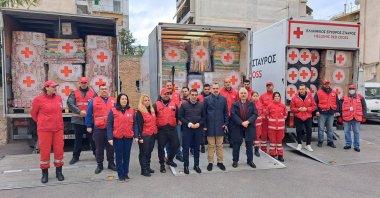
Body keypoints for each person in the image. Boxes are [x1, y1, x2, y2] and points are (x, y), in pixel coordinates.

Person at [31, 80, 64, 183]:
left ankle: (59, 172)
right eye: (53, 86)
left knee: (59, 151)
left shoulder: (58, 98)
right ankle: (44, 174)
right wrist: (43, 122)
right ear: (46, 88)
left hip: (58, 129)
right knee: (45, 152)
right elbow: (33, 114)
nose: (55, 88)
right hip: (45, 130)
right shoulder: (38, 100)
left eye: (55, 86)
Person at [86, 83, 117, 174]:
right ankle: (99, 165)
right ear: (99, 91)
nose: (104, 90)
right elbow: (88, 114)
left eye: (105, 89)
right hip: (99, 128)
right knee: (99, 148)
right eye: (102, 89)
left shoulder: (114, 101)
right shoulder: (93, 101)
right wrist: (88, 126)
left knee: (111, 147)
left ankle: (111, 163)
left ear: (108, 90)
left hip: (111, 128)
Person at [107, 93, 136, 182]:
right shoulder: (113, 111)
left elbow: (135, 125)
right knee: (119, 156)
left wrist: (136, 136)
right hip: (117, 137)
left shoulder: (131, 111)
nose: (124, 100)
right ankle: (121, 175)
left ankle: (126, 174)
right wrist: (110, 138)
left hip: (128, 137)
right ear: (119, 100)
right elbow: (109, 125)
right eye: (122, 99)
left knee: (126, 156)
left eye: (125, 99)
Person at [67, 77, 97, 165]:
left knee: (93, 139)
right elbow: (70, 103)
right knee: (78, 140)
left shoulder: (93, 94)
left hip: (90, 121)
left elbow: (97, 104)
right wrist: (79, 111)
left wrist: (88, 113)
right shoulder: (74, 93)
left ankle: (97, 155)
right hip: (78, 120)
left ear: (87, 83)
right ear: (79, 83)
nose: (83, 84)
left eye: (85, 82)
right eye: (82, 82)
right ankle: (75, 157)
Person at [230, 88, 258, 168]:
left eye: (244, 93)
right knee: (236, 145)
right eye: (241, 93)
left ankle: (250, 161)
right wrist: (241, 122)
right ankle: (235, 161)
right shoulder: (234, 104)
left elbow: (255, 114)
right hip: (238, 127)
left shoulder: (252, 104)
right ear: (239, 94)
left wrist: (248, 121)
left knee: (249, 145)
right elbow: (233, 115)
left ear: (247, 94)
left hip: (249, 126)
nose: (243, 94)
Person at [179, 89, 205, 174]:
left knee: (197, 148)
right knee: (186, 148)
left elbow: (204, 117)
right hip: (187, 130)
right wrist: (189, 124)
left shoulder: (201, 105)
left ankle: (196, 165)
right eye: (192, 95)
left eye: (195, 95)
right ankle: (186, 166)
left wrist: (199, 124)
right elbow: (180, 116)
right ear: (189, 95)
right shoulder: (184, 105)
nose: (194, 96)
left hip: (198, 130)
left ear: (197, 96)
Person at [153, 88, 179, 173]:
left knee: (176, 145)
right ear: (161, 95)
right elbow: (153, 117)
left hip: (171, 128)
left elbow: (178, 115)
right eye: (165, 94)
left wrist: (177, 121)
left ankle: (169, 160)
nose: (167, 95)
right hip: (161, 130)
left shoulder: (174, 104)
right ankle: (162, 165)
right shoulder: (156, 105)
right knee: (161, 148)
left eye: (168, 93)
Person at [204, 83, 229, 171]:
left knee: (219, 145)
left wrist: (226, 123)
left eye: (217, 88)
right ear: (211, 89)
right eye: (214, 88)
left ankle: (220, 162)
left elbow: (226, 112)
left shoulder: (223, 99)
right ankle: (210, 162)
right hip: (210, 126)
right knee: (210, 145)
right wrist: (205, 125)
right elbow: (204, 114)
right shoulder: (206, 99)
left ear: (219, 89)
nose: (215, 90)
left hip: (220, 125)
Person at [134, 94, 157, 177]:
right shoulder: (140, 112)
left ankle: (148, 166)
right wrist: (139, 136)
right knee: (143, 153)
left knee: (149, 152)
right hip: (144, 135)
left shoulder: (151, 110)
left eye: (148, 100)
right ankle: (143, 170)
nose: (147, 102)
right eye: (145, 100)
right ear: (142, 101)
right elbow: (138, 125)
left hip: (152, 134)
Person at [290, 84, 317, 152]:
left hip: (307, 116)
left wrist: (307, 109)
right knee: (298, 130)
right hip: (298, 116)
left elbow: (314, 106)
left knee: (309, 131)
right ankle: (299, 144)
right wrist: (298, 109)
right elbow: (292, 108)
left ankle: (308, 145)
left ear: (305, 89)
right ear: (298, 90)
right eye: (300, 89)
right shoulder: (294, 98)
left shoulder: (310, 97)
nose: (301, 90)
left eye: (303, 89)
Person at [340, 84, 367, 152]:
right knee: (346, 132)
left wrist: (364, 116)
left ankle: (356, 146)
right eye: (350, 88)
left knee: (356, 132)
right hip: (346, 118)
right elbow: (340, 108)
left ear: (355, 89)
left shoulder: (360, 97)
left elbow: (364, 107)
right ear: (348, 89)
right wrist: (340, 116)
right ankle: (348, 144)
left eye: (353, 88)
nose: (351, 90)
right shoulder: (343, 97)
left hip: (356, 118)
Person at [315, 80, 340, 148]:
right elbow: (315, 103)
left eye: (328, 84)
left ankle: (330, 142)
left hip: (331, 113)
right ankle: (320, 142)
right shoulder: (318, 93)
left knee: (330, 128)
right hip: (322, 113)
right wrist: (316, 111)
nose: (327, 85)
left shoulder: (334, 93)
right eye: (326, 84)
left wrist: (337, 111)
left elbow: (337, 102)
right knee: (321, 128)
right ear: (323, 85)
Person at [267, 92, 287, 162]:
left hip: (280, 128)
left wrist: (281, 122)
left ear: (280, 97)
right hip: (272, 128)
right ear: (273, 98)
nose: (277, 97)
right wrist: (271, 121)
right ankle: (272, 154)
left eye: (278, 96)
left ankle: (280, 155)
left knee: (279, 142)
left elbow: (285, 115)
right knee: (272, 142)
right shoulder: (270, 106)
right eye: (275, 96)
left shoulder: (283, 106)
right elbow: (267, 115)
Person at [220, 77, 238, 147]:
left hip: (233, 114)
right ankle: (221, 142)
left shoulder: (235, 92)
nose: (227, 84)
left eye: (229, 82)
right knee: (222, 128)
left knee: (232, 129)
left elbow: (237, 103)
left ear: (231, 83)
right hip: (223, 114)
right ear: (224, 83)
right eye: (226, 82)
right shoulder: (221, 92)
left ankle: (231, 142)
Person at [259, 82, 274, 153]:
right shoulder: (262, 96)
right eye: (267, 86)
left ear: (273, 86)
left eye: (270, 86)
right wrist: (262, 114)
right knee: (264, 133)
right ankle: (263, 149)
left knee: (272, 134)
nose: (269, 87)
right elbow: (260, 106)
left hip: (272, 118)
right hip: (264, 118)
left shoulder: (275, 96)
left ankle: (272, 150)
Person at [198, 83, 211, 153]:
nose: (207, 91)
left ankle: (210, 146)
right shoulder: (199, 97)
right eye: (205, 89)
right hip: (202, 117)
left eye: (208, 89)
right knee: (202, 133)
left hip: (210, 117)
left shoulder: (212, 96)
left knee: (210, 132)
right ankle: (202, 146)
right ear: (203, 89)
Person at [251, 91, 263, 157]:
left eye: (256, 96)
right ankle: (249, 150)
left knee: (257, 137)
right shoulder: (249, 104)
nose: (255, 97)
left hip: (258, 124)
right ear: (251, 97)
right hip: (251, 124)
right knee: (250, 137)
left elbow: (262, 114)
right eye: (254, 96)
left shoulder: (260, 104)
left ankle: (256, 150)